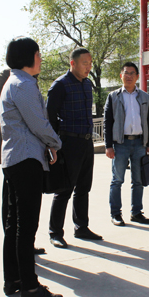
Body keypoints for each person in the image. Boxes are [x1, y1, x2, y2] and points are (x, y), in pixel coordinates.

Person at [0, 37, 63, 297]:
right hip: (26, 160)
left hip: (15, 159)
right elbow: (38, 123)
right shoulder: (23, 84)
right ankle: (30, 286)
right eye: (38, 54)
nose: (41, 59)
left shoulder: (12, 82)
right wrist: (56, 143)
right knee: (26, 226)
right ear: (28, 57)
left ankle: (13, 280)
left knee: (15, 224)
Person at [47, 48, 102, 248]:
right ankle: (55, 232)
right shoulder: (60, 85)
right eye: (85, 63)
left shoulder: (87, 84)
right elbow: (50, 116)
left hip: (86, 142)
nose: (89, 67)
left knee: (84, 188)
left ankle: (81, 227)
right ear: (72, 63)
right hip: (68, 143)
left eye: (90, 63)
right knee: (64, 189)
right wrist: (54, 143)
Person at [0, 68, 46, 256]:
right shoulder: (11, 79)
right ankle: (16, 245)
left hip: (28, 148)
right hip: (15, 148)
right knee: (12, 204)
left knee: (25, 208)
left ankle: (24, 243)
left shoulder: (29, 78)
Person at [104, 62, 149, 226]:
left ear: (137, 77)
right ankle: (116, 214)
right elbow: (107, 122)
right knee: (117, 180)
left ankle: (136, 213)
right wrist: (108, 145)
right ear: (121, 76)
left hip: (139, 143)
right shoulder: (113, 96)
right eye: (126, 73)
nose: (129, 76)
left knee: (138, 181)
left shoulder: (144, 97)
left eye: (132, 73)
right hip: (120, 144)